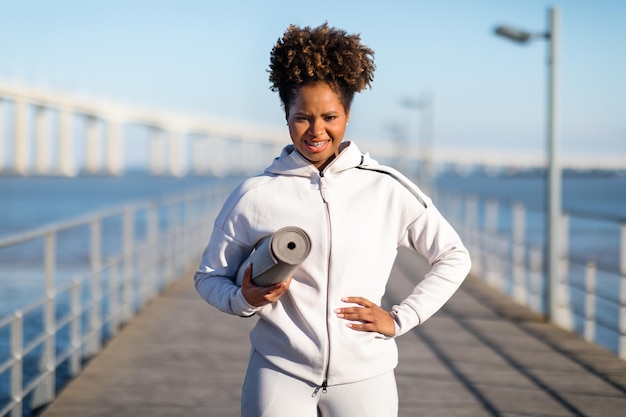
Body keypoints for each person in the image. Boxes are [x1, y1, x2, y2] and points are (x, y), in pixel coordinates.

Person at [194, 22, 471, 417]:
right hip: (279, 372)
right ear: (286, 114)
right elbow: (208, 277)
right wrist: (243, 300)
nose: (316, 130)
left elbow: (454, 256)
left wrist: (400, 318)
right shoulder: (255, 194)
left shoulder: (386, 187)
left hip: (366, 379)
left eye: (330, 116)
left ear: (347, 115)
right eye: (302, 117)